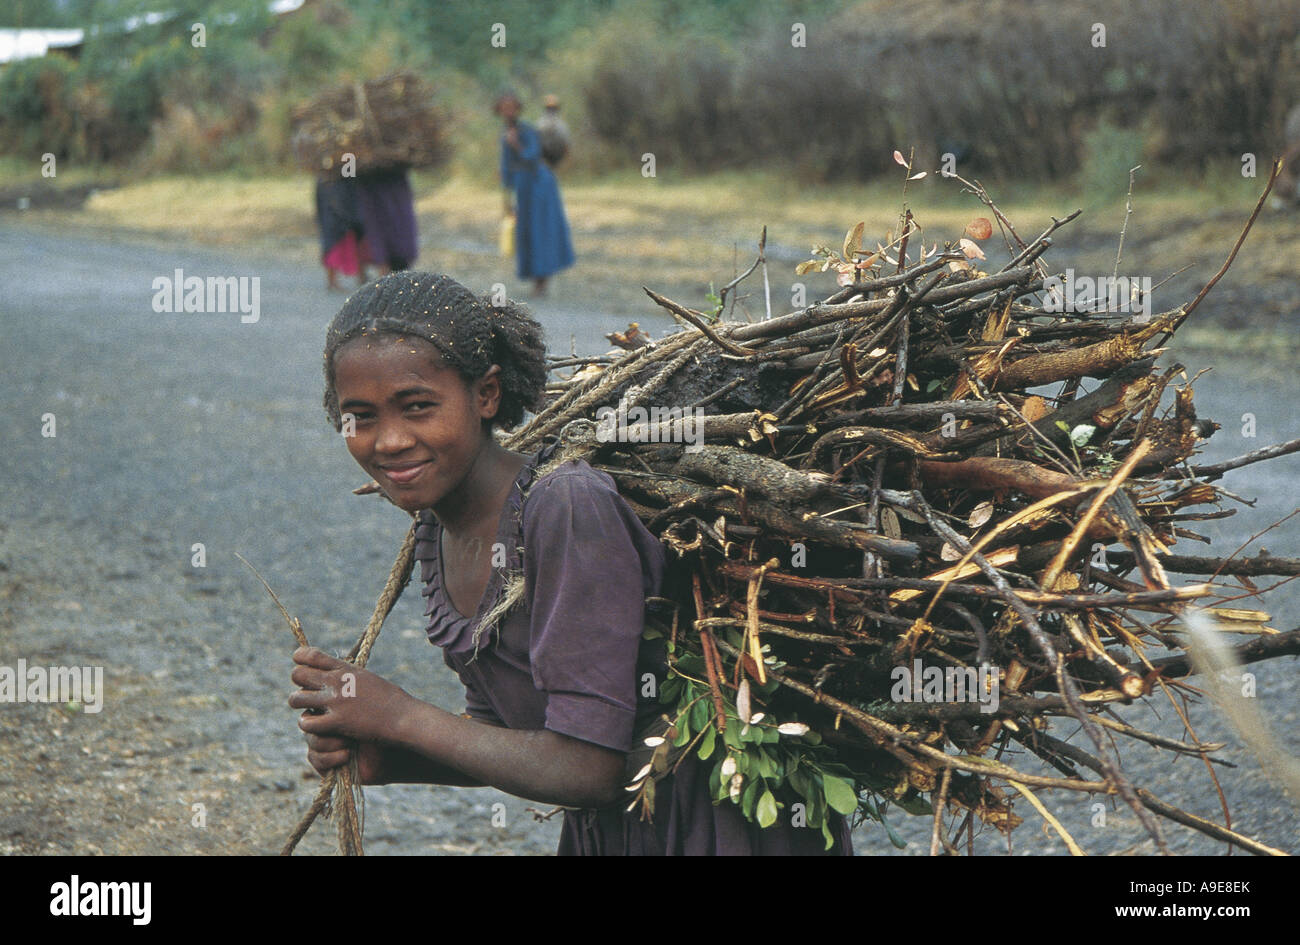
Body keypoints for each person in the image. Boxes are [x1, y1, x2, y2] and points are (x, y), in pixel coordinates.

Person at [290, 271, 852, 855]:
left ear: (486, 394)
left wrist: (401, 716)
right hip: (617, 829)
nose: (389, 441)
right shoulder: (437, 528)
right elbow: (517, 740)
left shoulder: (565, 506)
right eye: (362, 417)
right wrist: (395, 756)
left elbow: (589, 766)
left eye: (418, 407)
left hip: (712, 825)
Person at [494, 92, 575, 296]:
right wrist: (507, 197)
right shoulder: (506, 132)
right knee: (526, 231)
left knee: (541, 230)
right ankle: (536, 280)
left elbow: (532, 155)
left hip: (539, 184)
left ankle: (542, 282)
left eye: (511, 106)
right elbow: (507, 166)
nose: (508, 111)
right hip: (523, 187)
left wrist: (516, 145)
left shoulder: (526, 130)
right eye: (504, 107)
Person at [354, 165, 419, 275]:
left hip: (385, 185)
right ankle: (384, 274)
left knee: (392, 233)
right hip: (372, 187)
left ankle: (390, 273)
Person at [314, 175, 368, 291]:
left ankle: (360, 277)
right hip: (335, 190)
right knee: (334, 238)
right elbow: (348, 167)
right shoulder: (342, 163)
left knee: (349, 238)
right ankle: (333, 281)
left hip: (341, 187)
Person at [535, 93, 570, 169]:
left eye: (552, 108)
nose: (551, 111)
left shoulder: (561, 126)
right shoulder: (540, 124)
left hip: (557, 159)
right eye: (549, 108)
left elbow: (566, 146)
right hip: (544, 160)